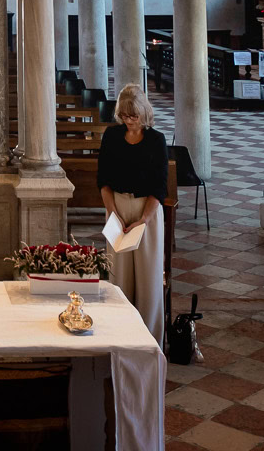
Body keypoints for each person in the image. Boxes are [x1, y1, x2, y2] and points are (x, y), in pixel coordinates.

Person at [98, 83, 169, 336]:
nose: (129, 121)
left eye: (134, 115)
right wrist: (112, 212)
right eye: (125, 116)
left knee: (148, 280)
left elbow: (159, 188)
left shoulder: (156, 140)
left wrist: (143, 219)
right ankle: (119, 335)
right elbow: (103, 179)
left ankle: (148, 339)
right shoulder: (112, 136)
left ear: (144, 112)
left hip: (146, 212)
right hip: (116, 208)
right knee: (119, 277)